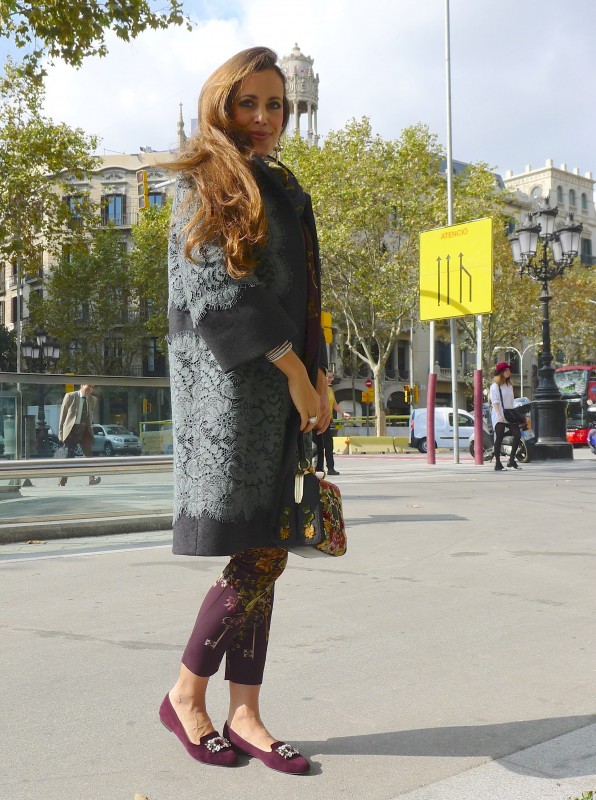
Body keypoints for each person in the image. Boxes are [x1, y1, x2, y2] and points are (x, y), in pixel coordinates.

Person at [161, 47, 331, 774]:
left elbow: (309, 293)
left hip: (285, 392)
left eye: (275, 105)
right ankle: (186, 696)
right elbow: (217, 291)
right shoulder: (202, 180)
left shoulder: (283, 184)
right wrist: (295, 371)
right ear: (221, 105)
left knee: (266, 549)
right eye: (248, 103)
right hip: (232, 400)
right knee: (259, 552)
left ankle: (246, 713)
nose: (264, 118)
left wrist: (320, 377)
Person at [57, 384, 101, 486]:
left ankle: (92, 478)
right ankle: (62, 480)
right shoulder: (70, 396)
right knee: (69, 454)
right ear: (82, 385)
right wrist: (61, 433)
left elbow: (90, 415)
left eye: (92, 387)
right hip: (71, 429)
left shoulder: (93, 400)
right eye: (88, 386)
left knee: (88, 453)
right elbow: (63, 415)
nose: (90, 389)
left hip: (85, 428)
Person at [315, 369, 350, 475]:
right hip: (318, 422)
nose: (331, 379)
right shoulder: (317, 389)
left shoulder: (330, 390)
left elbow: (334, 404)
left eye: (332, 377)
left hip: (328, 421)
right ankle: (317, 466)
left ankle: (330, 468)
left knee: (329, 445)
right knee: (319, 445)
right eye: (329, 377)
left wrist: (343, 413)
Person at [489, 362, 522, 472]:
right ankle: (498, 464)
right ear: (501, 372)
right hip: (498, 413)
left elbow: (511, 402)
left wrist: (515, 413)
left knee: (517, 435)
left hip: (509, 413)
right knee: (499, 437)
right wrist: (499, 415)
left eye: (509, 370)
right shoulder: (495, 386)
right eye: (506, 370)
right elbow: (495, 402)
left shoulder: (509, 386)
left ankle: (511, 460)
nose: (509, 372)